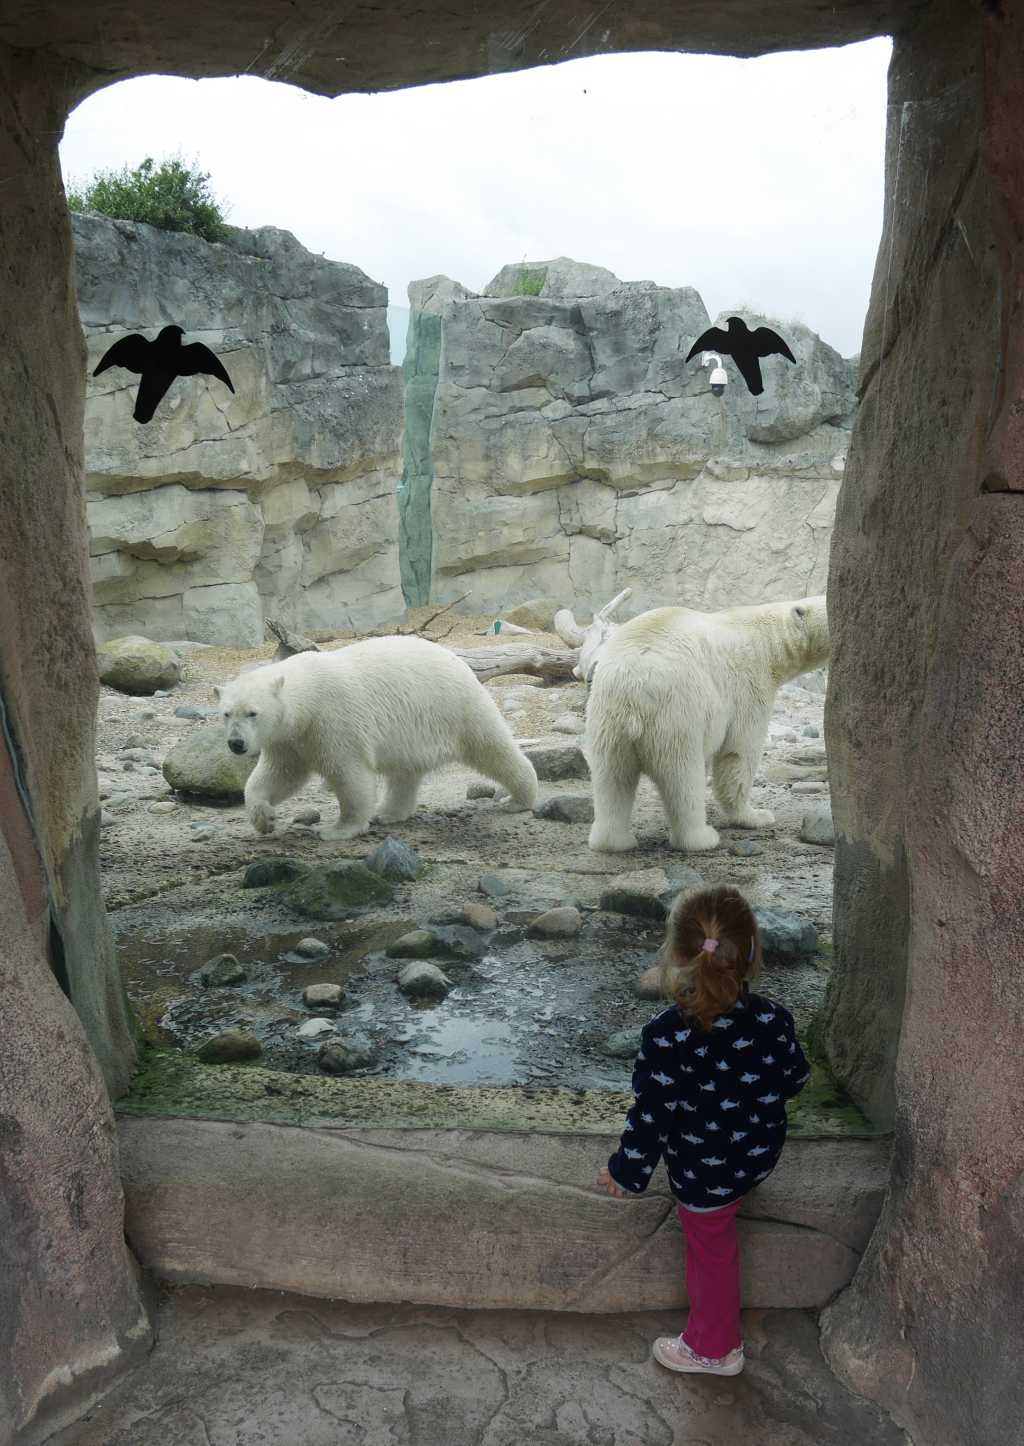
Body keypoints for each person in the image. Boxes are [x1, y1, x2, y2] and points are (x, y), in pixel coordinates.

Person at [596, 884, 811, 1377]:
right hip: (758, 1155)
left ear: (674, 955)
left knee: (711, 1252)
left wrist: (626, 1173)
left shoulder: (665, 1034)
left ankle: (713, 1349)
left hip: (703, 1174)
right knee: (730, 1191)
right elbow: (796, 1080)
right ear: (752, 951)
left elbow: (651, 1115)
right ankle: (739, 1190)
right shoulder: (775, 1019)